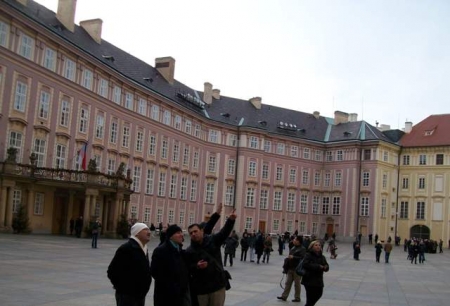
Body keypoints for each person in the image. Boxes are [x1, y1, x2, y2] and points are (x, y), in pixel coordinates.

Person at [186, 209, 237, 306]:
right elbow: (188, 268)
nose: (193, 234)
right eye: (191, 233)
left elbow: (224, 233)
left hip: (217, 286)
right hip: (201, 289)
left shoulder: (212, 240)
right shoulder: (189, 251)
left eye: (195, 231)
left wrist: (231, 220)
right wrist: (197, 266)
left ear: (202, 231)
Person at [107, 223, 152, 306]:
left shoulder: (144, 248)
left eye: (149, 229)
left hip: (140, 295)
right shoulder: (126, 248)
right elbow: (112, 271)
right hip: (128, 296)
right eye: (145, 230)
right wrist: (124, 288)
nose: (149, 232)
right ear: (137, 233)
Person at [151, 224, 190, 306]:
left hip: (180, 295)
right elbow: (155, 273)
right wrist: (172, 287)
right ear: (170, 236)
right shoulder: (160, 251)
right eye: (178, 233)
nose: (181, 235)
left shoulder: (179, 250)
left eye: (181, 232)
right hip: (166, 296)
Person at [277, 236, 306, 302]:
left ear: (299, 241)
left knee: (297, 284)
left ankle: (297, 297)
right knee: (287, 283)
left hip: (297, 269)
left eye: (295, 239)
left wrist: (294, 257)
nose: (294, 240)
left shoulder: (302, 249)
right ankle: (284, 296)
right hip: (290, 268)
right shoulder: (293, 247)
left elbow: (302, 258)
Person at [301, 240, 329, 306]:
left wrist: (326, 267)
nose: (318, 246)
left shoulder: (322, 257)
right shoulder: (308, 255)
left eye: (319, 245)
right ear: (312, 247)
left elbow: (326, 266)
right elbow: (305, 264)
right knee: (310, 298)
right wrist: (318, 266)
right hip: (309, 279)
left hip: (319, 280)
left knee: (319, 294)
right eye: (316, 245)